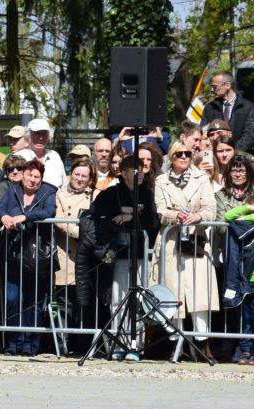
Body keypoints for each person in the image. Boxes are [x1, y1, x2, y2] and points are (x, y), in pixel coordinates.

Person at [84, 153, 159, 360]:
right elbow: (95, 214)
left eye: (142, 169)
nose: (140, 174)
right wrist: (124, 215)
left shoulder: (148, 193)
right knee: (118, 299)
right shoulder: (112, 193)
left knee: (138, 299)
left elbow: (153, 221)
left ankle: (136, 344)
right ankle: (119, 343)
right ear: (124, 172)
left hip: (141, 255)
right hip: (119, 254)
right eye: (135, 170)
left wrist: (130, 215)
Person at [0, 158, 58, 357]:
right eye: (29, 175)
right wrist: (3, 216)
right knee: (12, 300)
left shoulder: (48, 192)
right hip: (12, 254)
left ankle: (30, 344)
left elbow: (49, 211)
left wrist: (25, 216)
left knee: (33, 302)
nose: (33, 180)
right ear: (23, 175)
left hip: (37, 257)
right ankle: (12, 343)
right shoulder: (13, 190)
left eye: (37, 177)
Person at [154, 139, 219, 349]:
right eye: (179, 154)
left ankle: (203, 342)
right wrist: (178, 216)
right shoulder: (161, 181)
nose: (184, 157)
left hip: (196, 241)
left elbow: (211, 209)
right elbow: (161, 211)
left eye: (187, 154)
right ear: (171, 157)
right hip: (172, 241)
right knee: (174, 293)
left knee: (199, 294)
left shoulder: (202, 179)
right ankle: (176, 343)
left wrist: (197, 216)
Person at [52, 157, 97, 347]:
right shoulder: (60, 195)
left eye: (84, 176)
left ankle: (83, 344)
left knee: (85, 303)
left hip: (87, 257)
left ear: (90, 178)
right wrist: (79, 233)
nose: (79, 179)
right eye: (76, 174)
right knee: (64, 302)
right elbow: (59, 219)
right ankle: (63, 343)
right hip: (66, 254)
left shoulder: (96, 196)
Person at [217, 154, 254, 363]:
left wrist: (244, 218)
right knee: (238, 305)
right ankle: (243, 348)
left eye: (242, 169)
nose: (238, 173)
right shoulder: (221, 195)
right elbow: (223, 219)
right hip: (231, 257)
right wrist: (248, 210)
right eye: (234, 170)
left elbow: (233, 219)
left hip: (251, 256)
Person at [204, 71, 254, 153]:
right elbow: (205, 132)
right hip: (215, 156)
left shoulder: (248, 107)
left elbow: (250, 135)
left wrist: (232, 151)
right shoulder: (210, 108)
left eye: (215, 86)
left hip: (240, 158)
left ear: (228, 85)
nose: (212, 89)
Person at [13, 119, 65, 189]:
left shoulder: (54, 156)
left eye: (44, 134)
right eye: (36, 133)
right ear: (28, 136)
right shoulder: (19, 157)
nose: (41, 137)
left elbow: (64, 185)